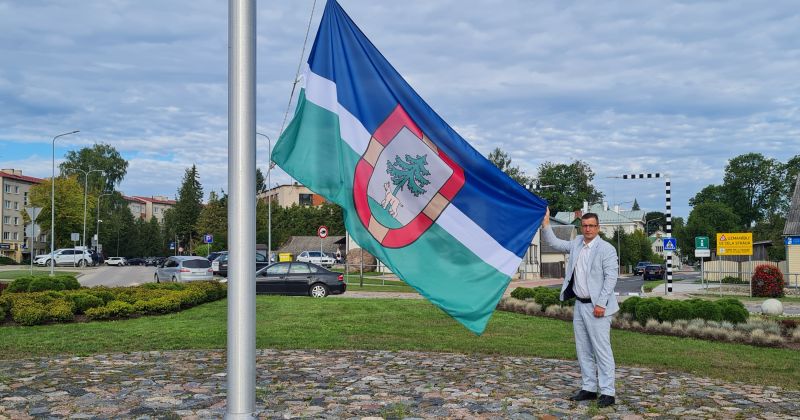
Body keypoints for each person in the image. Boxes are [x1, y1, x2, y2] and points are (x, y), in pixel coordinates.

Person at [541, 207, 619, 408]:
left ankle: (608, 392)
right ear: (581, 226)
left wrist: (601, 303)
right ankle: (589, 388)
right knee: (582, 349)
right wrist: (547, 223)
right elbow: (554, 243)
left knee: (602, 350)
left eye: (592, 225)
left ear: (598, 227)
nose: (588, 229)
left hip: (598, 307)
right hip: (580, 305)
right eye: (584, 225)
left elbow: (611, 278)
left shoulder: (606, 249)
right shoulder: (577, 244)